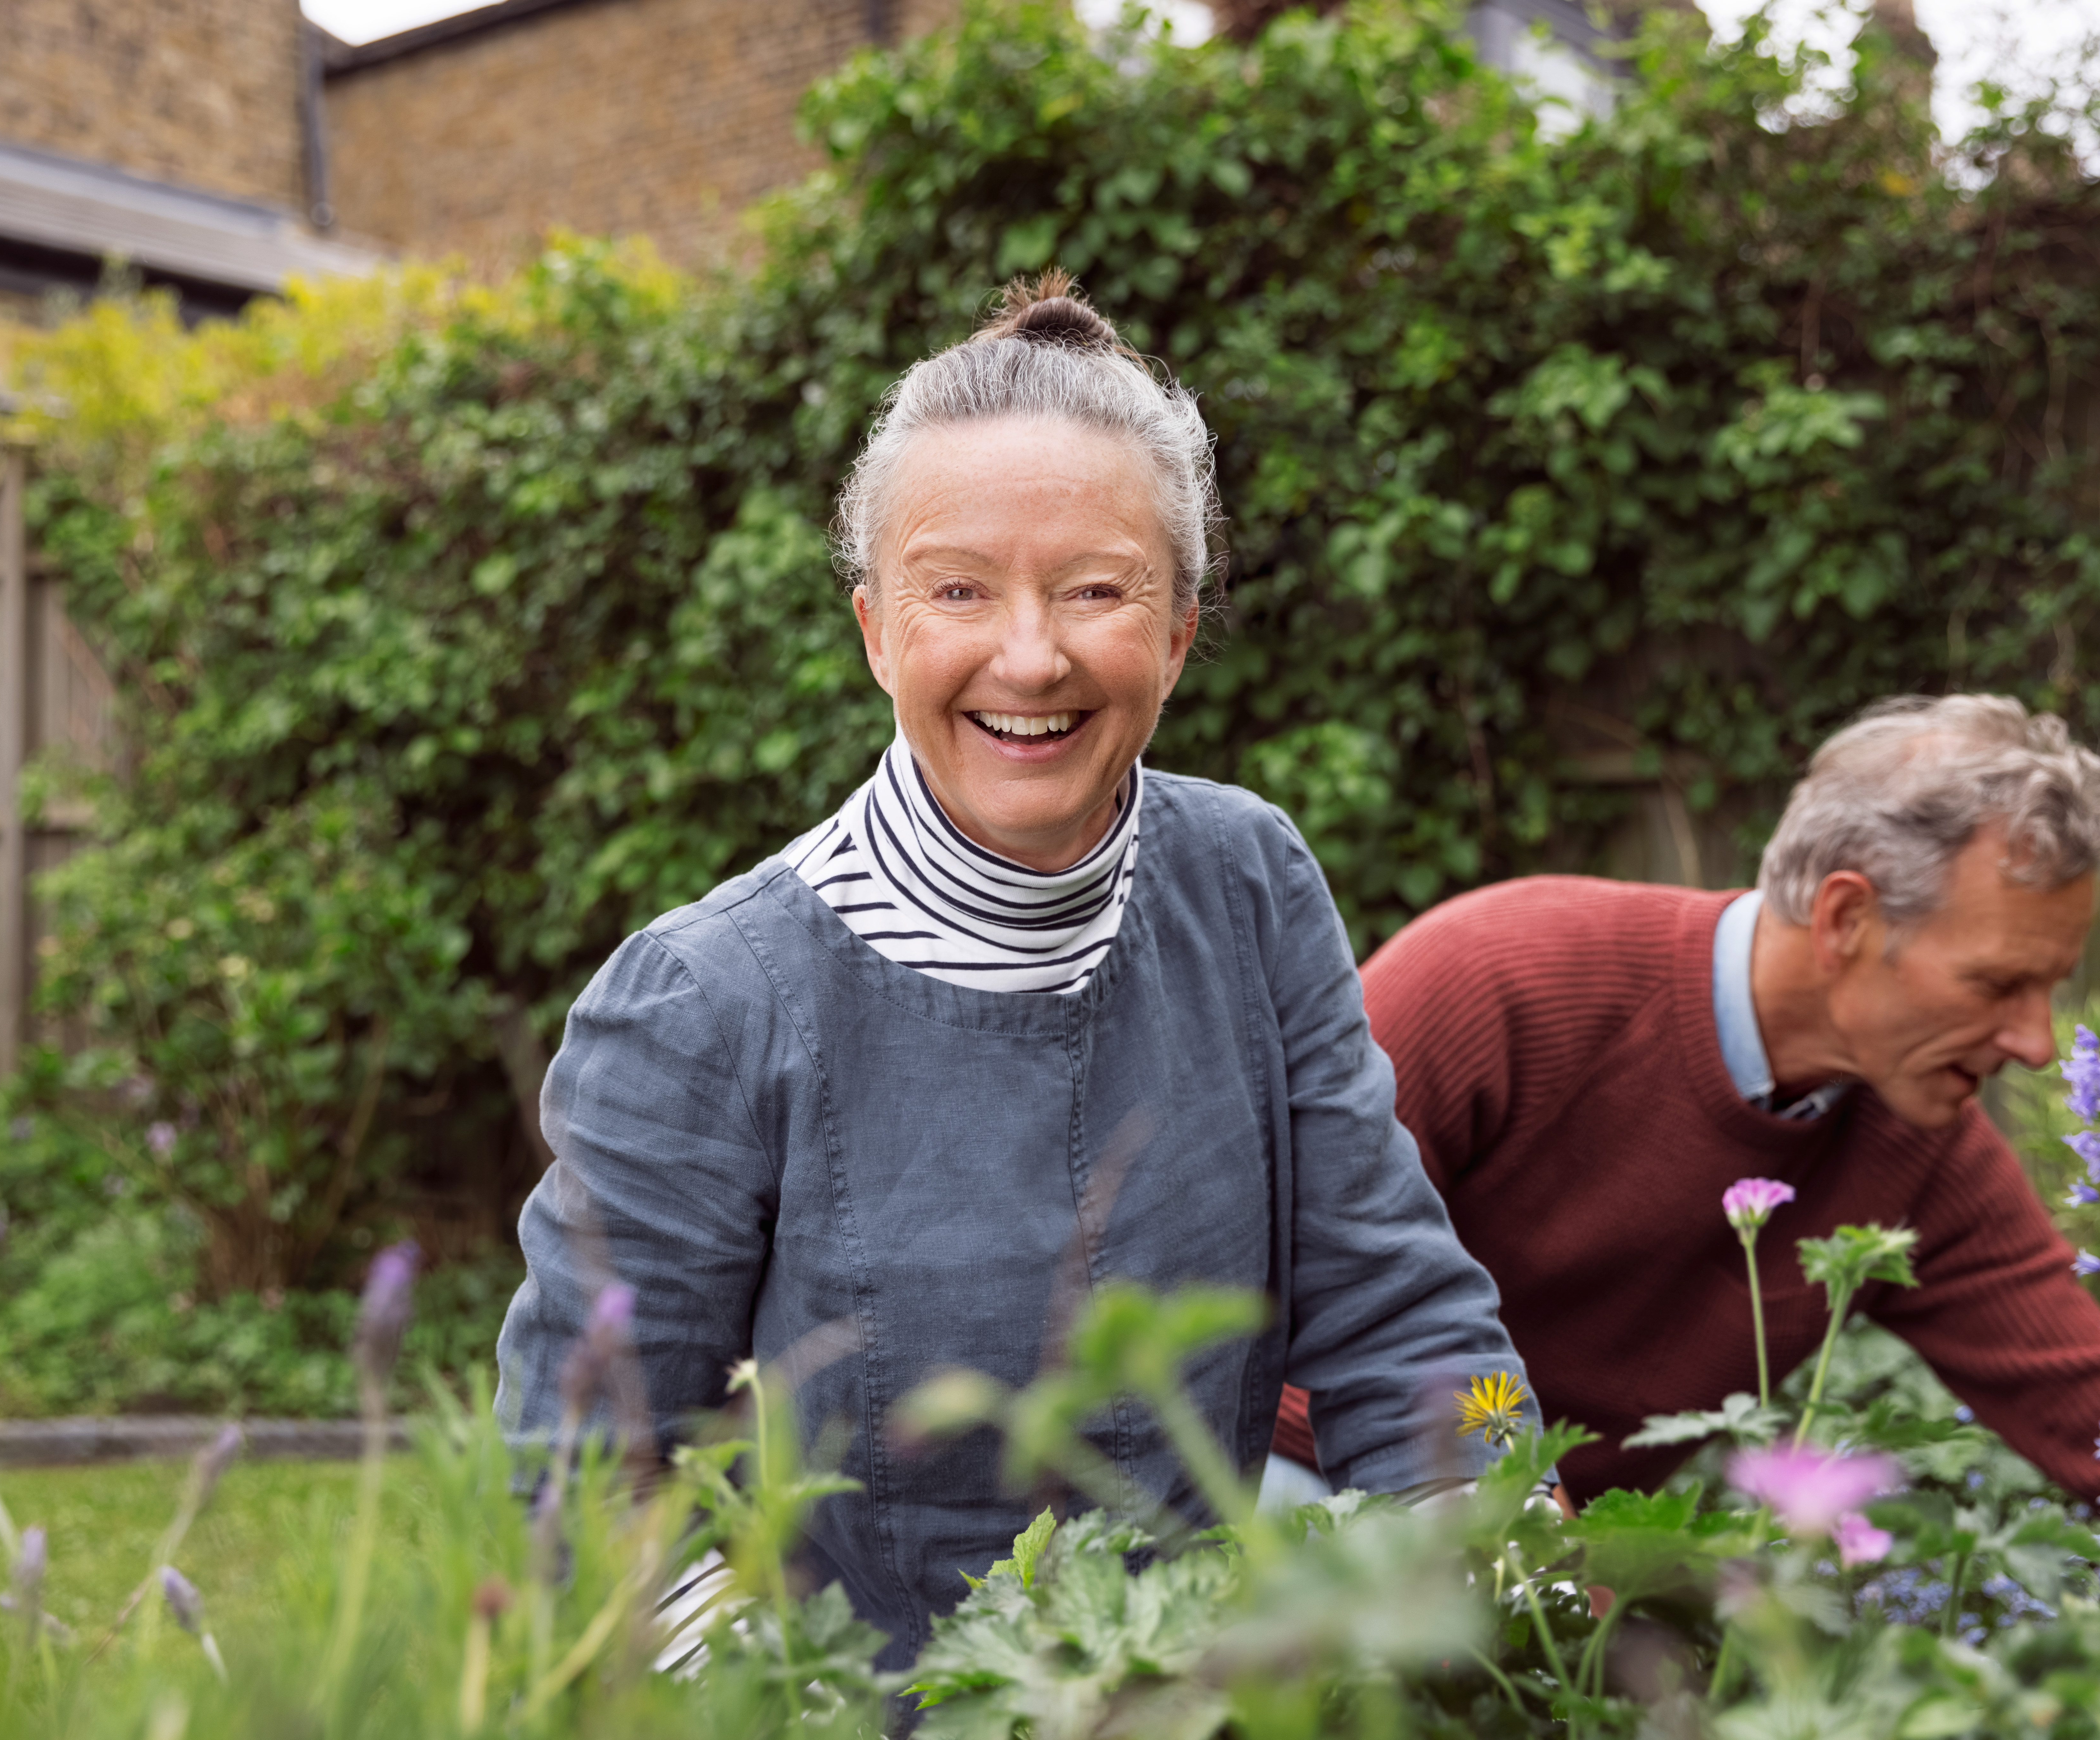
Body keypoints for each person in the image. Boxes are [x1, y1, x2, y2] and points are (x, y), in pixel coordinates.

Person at [496, 275, 1534, 1668]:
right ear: (877, 632)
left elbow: (1395, 1315)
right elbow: (590, 1476)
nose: (1030, 654)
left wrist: (1515, 1596)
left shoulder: (1245, 884)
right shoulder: (704, 1003)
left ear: (1175, 633)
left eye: (1097, 590)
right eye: (958, 590)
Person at [1271, 695, 2100, 1647]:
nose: (2036, 1040)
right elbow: (1267, 1294)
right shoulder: (1503, 981)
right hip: (1284, 1488)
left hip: (1561, 1572)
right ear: (1846, 918)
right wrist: (1527, 1551)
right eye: (1998, 985)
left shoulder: (1917, 1150)